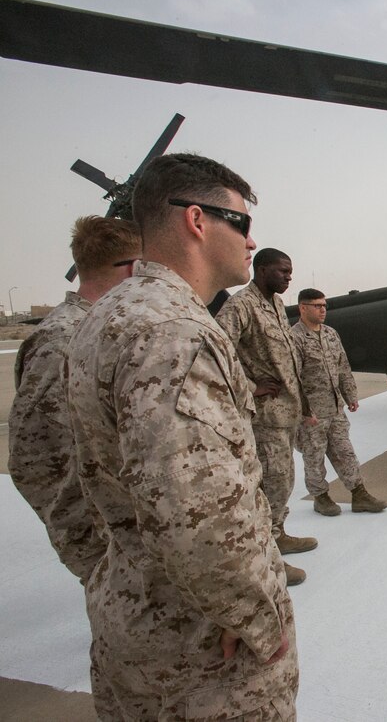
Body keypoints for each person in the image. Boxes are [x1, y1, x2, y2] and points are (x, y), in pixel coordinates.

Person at [65, 153, 298, 718]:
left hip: (134, 614)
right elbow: (196, 508)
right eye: (241, 223)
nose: (250, 242)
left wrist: (102, 571)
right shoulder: (175, 331)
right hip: (200, 647)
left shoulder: (110, 313)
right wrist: (256, 616)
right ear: (197, 220)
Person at [9, 215, 140, 583]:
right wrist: (93, 547)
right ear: (132, 269)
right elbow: (37, 458)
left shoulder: (101, 329)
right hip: (106, 543)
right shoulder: (63, 340)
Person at [217, 246, 315, 585]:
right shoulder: (241, 306)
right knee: (272, 481)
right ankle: (266, 557)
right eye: (282, 271)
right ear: (261, 270)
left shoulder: (274, 304)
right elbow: (215, 350)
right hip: (264, 416)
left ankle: (278, 534)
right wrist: (249, 386)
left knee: (283, 480)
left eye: (290, 271)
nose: (289, 277)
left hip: (285, 413)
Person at [292, 287, 387, 515]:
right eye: (317, 306)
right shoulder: (293, 338)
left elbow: (343, 367)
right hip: (312, 413)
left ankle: (359, 494)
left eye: (324, 305)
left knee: (345, 451)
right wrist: (304, 411)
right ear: (303, 308)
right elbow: (292, 378)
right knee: (314, 456)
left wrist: (350, 395)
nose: (323, 310)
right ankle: (321, 497)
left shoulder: (330, 334)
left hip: (335, 409)